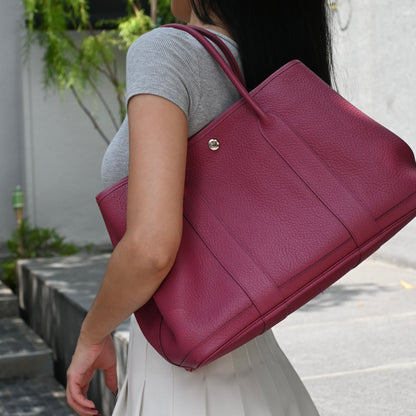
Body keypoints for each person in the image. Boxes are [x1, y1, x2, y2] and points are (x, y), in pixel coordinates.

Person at [66, 1, 334, 415]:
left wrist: (91, 334)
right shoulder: (268, 63)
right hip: (259, 364)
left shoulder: (169, 51)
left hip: (183, 377)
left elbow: (150, 249)